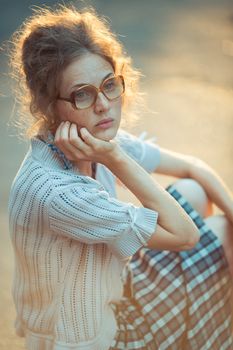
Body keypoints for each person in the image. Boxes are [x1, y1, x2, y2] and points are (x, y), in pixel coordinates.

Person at [8, 5, 233, 350]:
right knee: (219, 236)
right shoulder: (59, 192)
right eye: (82, 93)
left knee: (193, 191)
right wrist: (115, 158)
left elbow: (194, 167)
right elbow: (186, 235)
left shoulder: (87, 139)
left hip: (114, 290)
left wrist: (112, 153)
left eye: (109, 85)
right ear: (50, 106)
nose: (103, 105)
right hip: (97, 337)